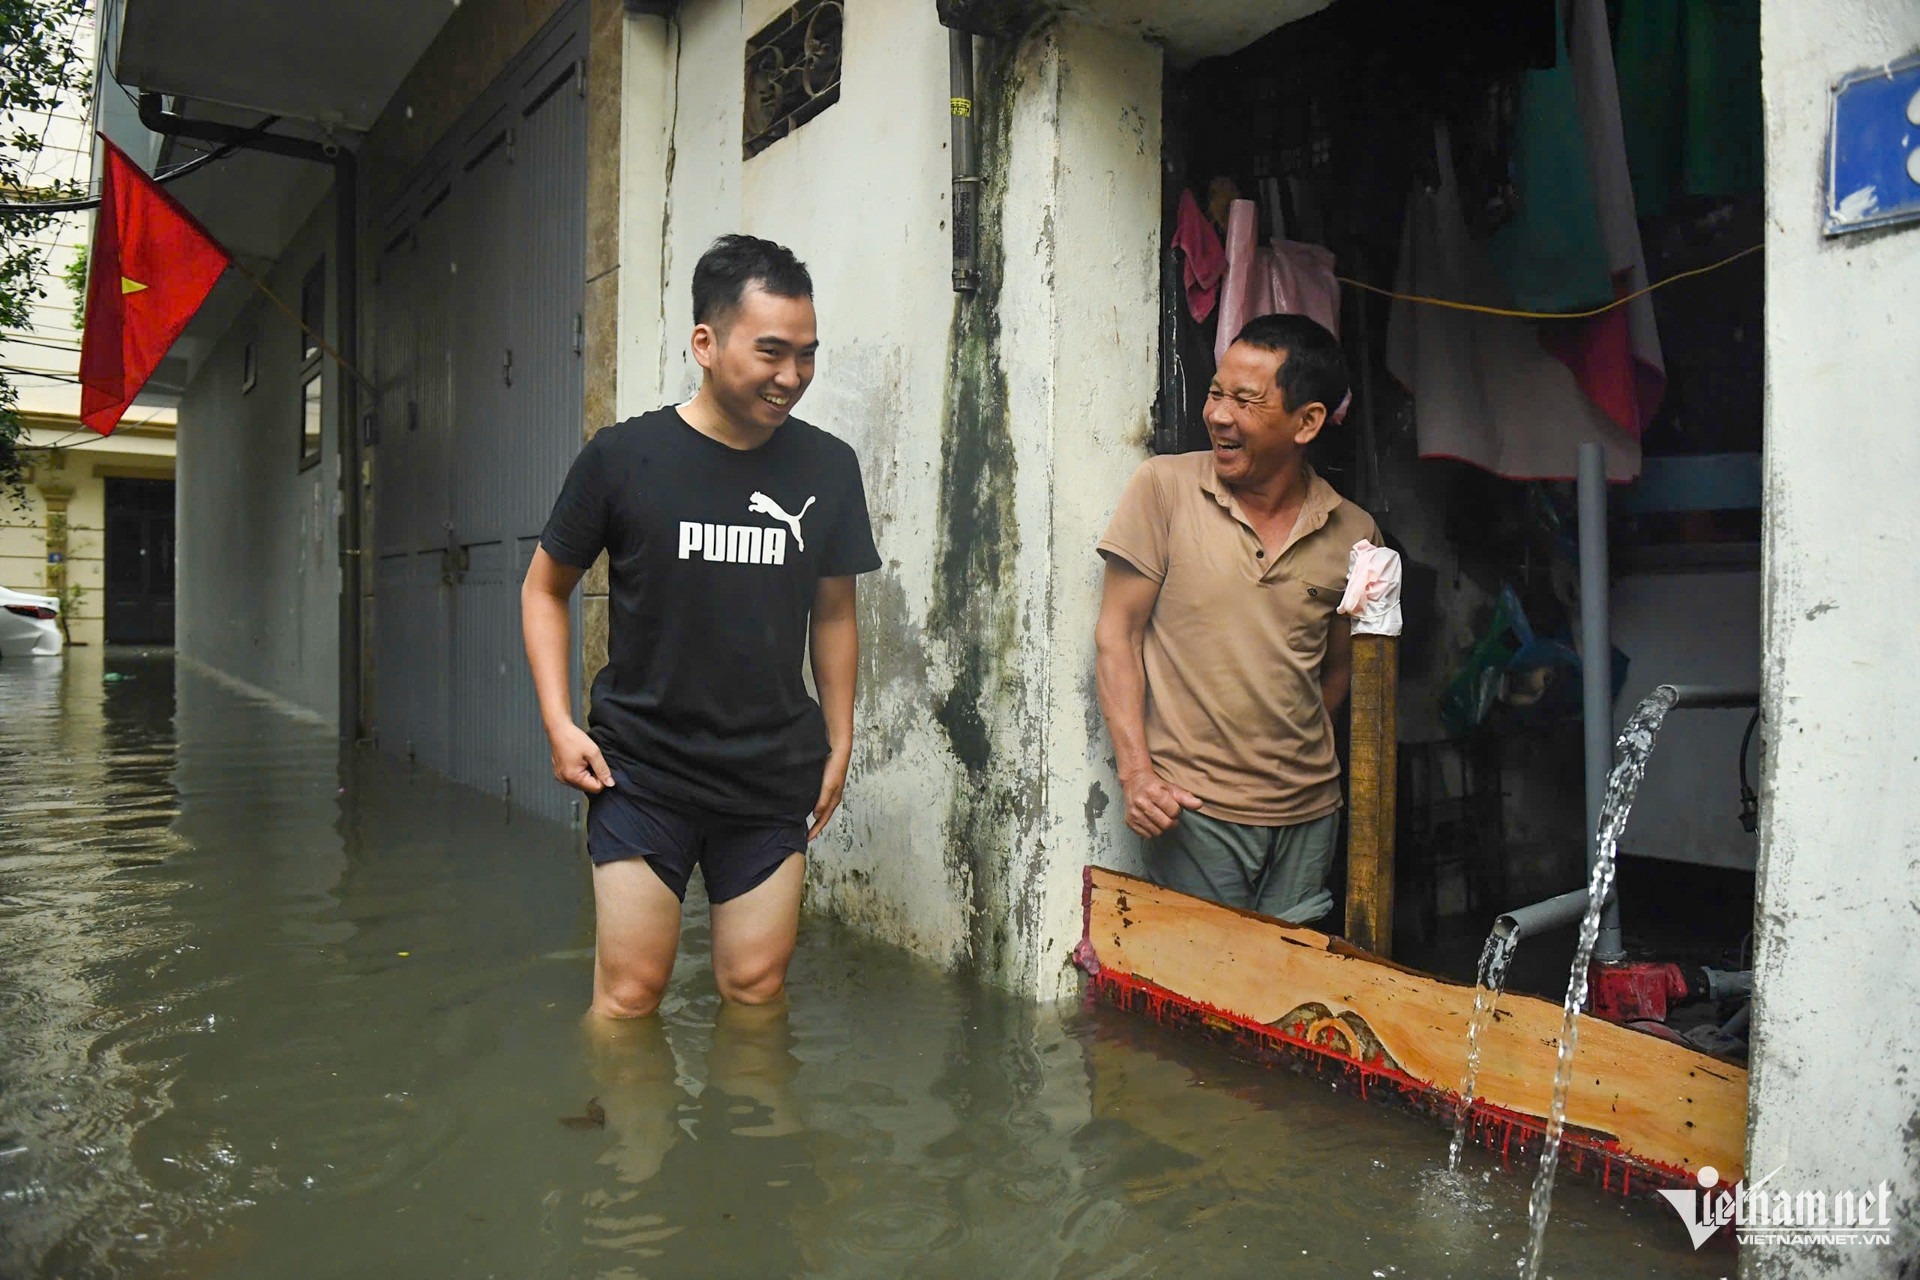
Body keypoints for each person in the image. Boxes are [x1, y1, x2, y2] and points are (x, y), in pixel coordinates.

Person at [522, 234, 880, 1019]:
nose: (792, 376)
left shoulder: (828, 468)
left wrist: (842, 736)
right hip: (641, 768)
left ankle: (749, 1111)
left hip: (768, 769)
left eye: (807, 355)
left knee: (755, 990)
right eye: (771, 352)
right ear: (706, 344)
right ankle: (615, 1107)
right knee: (629, 995)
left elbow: (834, 610)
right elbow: (544, 589)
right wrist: (557, 722)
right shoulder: (623, 458)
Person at [1093, 313, 1380, 925]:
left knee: (1294, 975)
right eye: (1215, 393)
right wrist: (1138, 775)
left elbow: (1341, 669)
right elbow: (1118, 636)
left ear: (1307, 422)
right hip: (1194, 812)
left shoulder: (1355, 532)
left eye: (1245, 401)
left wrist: (1287, 755)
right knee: (1203, 972)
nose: (1219, 415)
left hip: (1310, 816)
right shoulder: (1163, 489)